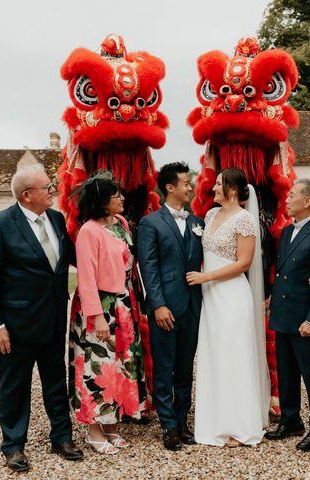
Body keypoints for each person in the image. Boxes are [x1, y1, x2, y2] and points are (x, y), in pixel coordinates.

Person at [0, 164, 83, 473]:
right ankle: (13, 445)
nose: (53, 191)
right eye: (48, 187)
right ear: (26, 195)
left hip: (52, 320)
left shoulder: (57, 219)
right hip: (16, 326)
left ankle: (61, 438)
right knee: (14, 386)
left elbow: (70, 259)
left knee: (55, 382)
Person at [186, 168, 270, 448]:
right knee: (213, 355)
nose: (213, 188)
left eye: (219, 184)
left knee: (234, 355)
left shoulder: (245, 220)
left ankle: (239, 425)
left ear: (232, 190)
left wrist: (206, 277)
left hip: (232, 295)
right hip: (210, 297)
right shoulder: (210, 215)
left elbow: (244, 263)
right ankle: (213, 421)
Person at [68, 171, 148, 455]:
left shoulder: (121, 223)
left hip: (124, 304)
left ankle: (112, 425)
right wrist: (97, 316)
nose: (123, 199)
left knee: (123, 364)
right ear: (103, 202)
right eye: (117, 196)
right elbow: (86, 278)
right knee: (96, 366)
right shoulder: (89, 230)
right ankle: (93, 429)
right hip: (99, 307)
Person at [137, 162, 205, 451]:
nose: (190, 186)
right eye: (185, 182)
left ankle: (181, 420)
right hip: (165, 307)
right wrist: (158, 305)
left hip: (192, 305)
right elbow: (147, 267)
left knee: (185, 367)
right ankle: (167, 425)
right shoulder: (150, 223)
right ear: (169, 187)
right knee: (164, 368)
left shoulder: (197, 222)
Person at [265, 179, 310, 452]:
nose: (287, 198)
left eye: (292, 195)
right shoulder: (285, 233)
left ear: (307, 201)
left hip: (305, 320)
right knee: (287, 373)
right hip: (283, 315)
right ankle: (291, 420)